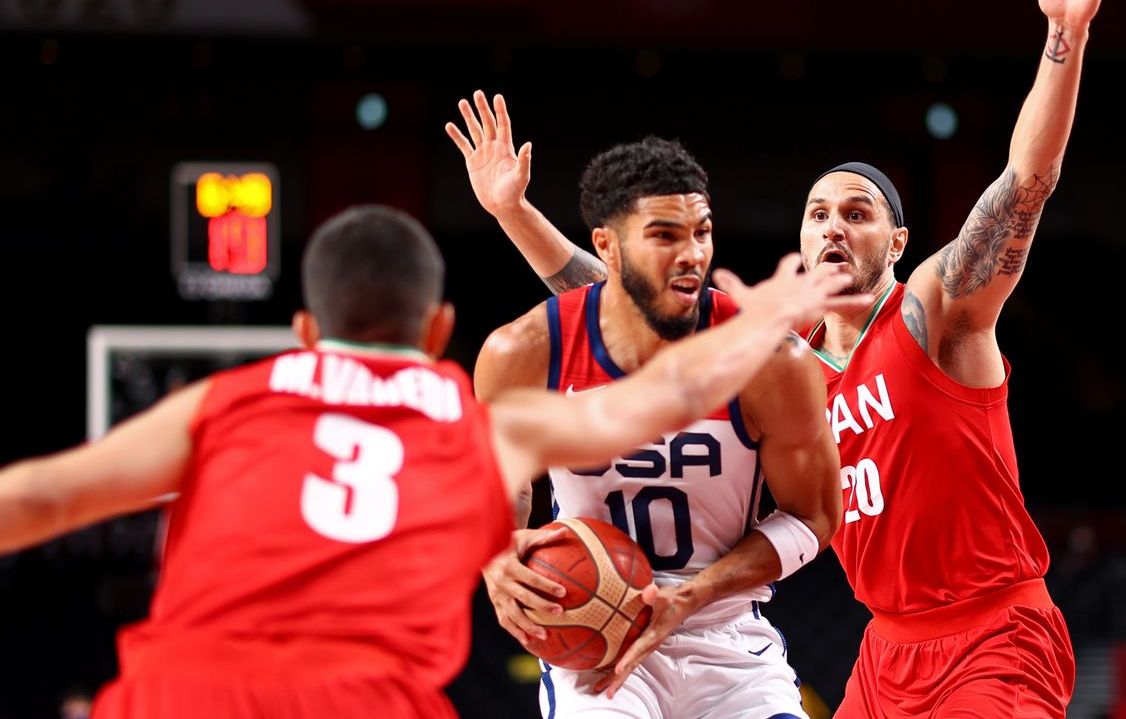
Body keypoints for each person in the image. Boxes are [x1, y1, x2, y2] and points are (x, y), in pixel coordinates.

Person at [449, 0, 1117, 718]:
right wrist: (514, 213)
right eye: (818, 212)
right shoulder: (777, 352)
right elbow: (619, 293)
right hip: (888, 644)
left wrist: (1066, 36)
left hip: (995, 629)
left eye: (858, 212)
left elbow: (1024, 185)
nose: (834, 224)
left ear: (898, 241)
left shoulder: (935, 314)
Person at [0, 205, 850, 719]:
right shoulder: (477, 422)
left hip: (181, 694)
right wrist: (759, 321)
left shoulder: (226, 404)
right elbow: (655, 399)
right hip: (369, 700)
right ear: (440, 330)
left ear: (303, 332)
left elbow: (37, 495)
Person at [447, 106, 842, 719]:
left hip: (727, 635)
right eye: (664, 235)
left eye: (702, 232)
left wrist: (689, 596)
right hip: (593, 637)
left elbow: (814, 517)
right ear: (606, 245)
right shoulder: (522, 352)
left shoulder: (773, 361)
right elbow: (501, 488)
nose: (691, 254)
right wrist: (498, 553)